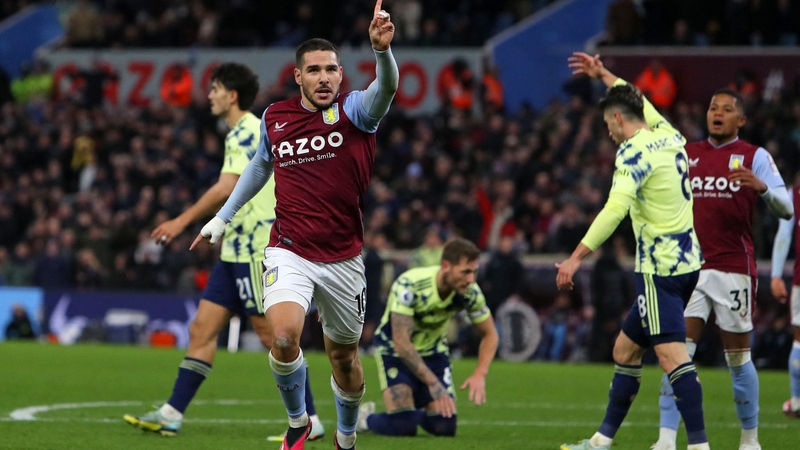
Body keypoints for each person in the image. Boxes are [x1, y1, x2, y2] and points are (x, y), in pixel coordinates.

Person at [192, 2, 398, 449]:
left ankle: (346, 435)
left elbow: (386, 89)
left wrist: (382, 52)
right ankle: (299, 421)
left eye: (332, 70)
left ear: (341, 75)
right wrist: (222, 218)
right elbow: (258, 166)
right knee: (284, 337)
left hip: (343, 258)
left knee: (344, 359)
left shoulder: (356, 112)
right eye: (315, 70)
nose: (324, 78)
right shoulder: (275, 117)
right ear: (298, 76)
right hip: (289, 250)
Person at [123, 62, 325, 440]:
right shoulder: (244, 131)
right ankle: (171, 414)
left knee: (274, 337)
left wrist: (181, 221)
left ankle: (310, 420)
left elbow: (225, 186)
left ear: (232, 96)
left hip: (255, 249)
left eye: (215, 89)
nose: (210, 95)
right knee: (201, 329)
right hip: (233, 251)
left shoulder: (247, 129)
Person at [556, 52, 709, 450]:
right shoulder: (667, 132)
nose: (609, 132)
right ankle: (601, 441)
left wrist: (575, 257)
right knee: (625, 350)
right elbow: (635, 97)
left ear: (617, 118)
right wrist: (603, 74)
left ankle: (699, 445)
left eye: (608, 124)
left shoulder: (633, 152)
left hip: (660, 271)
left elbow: (614, 210)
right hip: (687, 262)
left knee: (673, 359)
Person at [652, 89, 793, 450]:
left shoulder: (754, 157)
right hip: (688, 267)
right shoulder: (687, 154)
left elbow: (787, 209)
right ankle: (666, 439)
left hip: (733, 268)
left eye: (727, 109)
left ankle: (749, 439)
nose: (717, 113)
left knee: (738, 358)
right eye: (713, 107)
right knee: (676, 353)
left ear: (740, 120)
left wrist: (762, 188)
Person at [355, 237, 498, 437]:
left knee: (445, 427)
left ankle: (411, 413)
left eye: (474, 272)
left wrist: (480, 374)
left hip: (433, 353)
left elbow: (490, 334)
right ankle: (364, 418)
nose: (471, 279)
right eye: (466, 272)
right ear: (446, 266)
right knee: (403, 427)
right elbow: (402, 343)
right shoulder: (411, 285)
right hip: (395, 353)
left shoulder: (470, 292)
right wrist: (433, 383)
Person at [770, 172, 800, 419]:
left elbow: (784, 235)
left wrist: (776, 275)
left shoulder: (794, 195)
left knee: (799, 341)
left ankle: (797, 401)